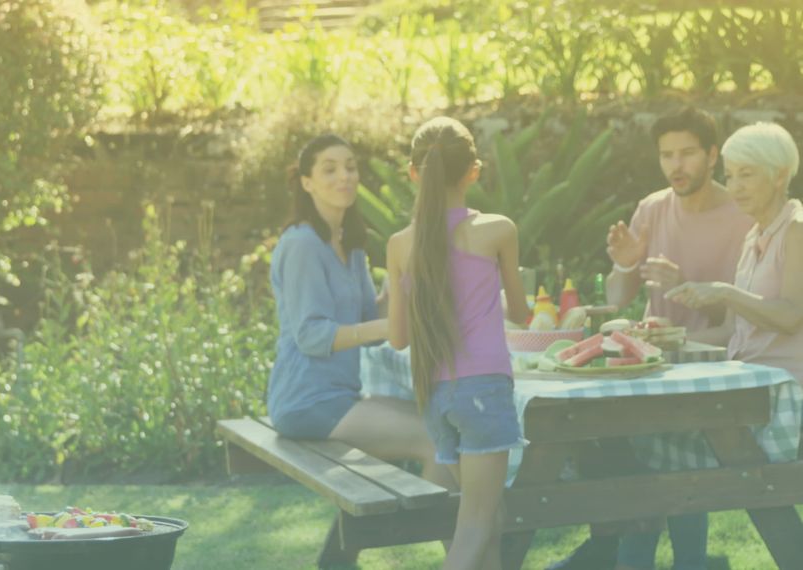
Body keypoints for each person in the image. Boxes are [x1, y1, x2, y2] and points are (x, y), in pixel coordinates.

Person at [548, 107, 754, 570]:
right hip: (653, 362)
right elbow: (621, 297)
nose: (675, 166)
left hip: (715, 361)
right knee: (604, 439)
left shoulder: (741, 216)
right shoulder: (653, 207)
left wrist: (690, 286)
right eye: (666, 156)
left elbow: (747, 312)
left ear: (712, 155)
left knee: (677, 455)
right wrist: (625, 263)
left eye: (686, 154)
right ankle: (622, 552)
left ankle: (680, 561)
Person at [266, 134, 453, 490]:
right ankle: (461, 545)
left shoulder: (349, 244)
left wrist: (402, 288)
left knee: (445, 424)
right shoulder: (302, 244)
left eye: (351, 167)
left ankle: (472, 535)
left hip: (341, 396)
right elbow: (311, 335)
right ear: (307, 183)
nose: (345, 177)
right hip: (307, 402)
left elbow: (367, 321)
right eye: (330, 169)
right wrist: (389, 325)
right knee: (434, 439)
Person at [387, 116, 531, 570]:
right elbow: (524, 316)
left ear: (414, 173)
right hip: (485, 391)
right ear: (474, 171)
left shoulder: (398, 245)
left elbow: (397, 337)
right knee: (473, 527)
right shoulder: (497, 230)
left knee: (490, 519)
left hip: (435, 397)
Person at [666, 121, 802, 384]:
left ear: (780, 176)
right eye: (729, 176)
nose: (735, 186)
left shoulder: (797, 230)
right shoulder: (753, 235)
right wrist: (665, 340)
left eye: (746, 174)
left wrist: (725, 292)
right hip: (747, 383)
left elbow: (792, 316)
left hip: (787, 391)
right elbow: (731, 330)